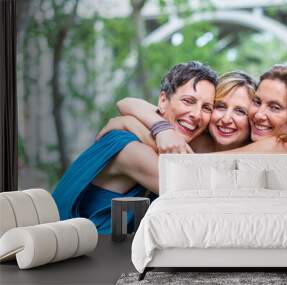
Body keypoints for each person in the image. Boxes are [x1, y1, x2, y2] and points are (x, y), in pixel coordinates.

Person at [100, 65, 287, 216]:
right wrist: (147, 124)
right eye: (258, 103)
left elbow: (195, 175)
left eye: (274, 107)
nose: (258, 113)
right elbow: (131, 104)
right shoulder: (204, 140)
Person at [52, 61, 218, 234]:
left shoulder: (152, 133)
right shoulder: (130, 149)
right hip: (73, 253)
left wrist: (130, 121)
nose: (197, 114)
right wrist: (136, 123)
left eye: (207, 108)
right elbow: (197, 193)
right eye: (188, 101)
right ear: (163, 101)